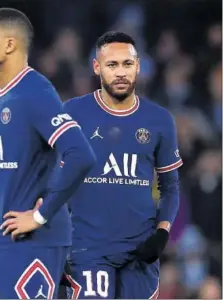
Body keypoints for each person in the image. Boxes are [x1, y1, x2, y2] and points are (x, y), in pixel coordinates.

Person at [0, 8, 96, 299]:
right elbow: (0, 168)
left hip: (32, 239)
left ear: (10, 44)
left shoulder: (34, 90)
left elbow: (80, 154)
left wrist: (39, 216)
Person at [62, 31, 182, 299]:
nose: (120, 72)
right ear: (97, 67)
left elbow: (170, 186)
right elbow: (51, 179)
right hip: (88, 249)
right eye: (112, 64)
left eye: (127, 64)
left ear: (138, 66)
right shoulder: (72, 113)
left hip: (140, 251)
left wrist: (162, 233)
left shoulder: (159, 120)